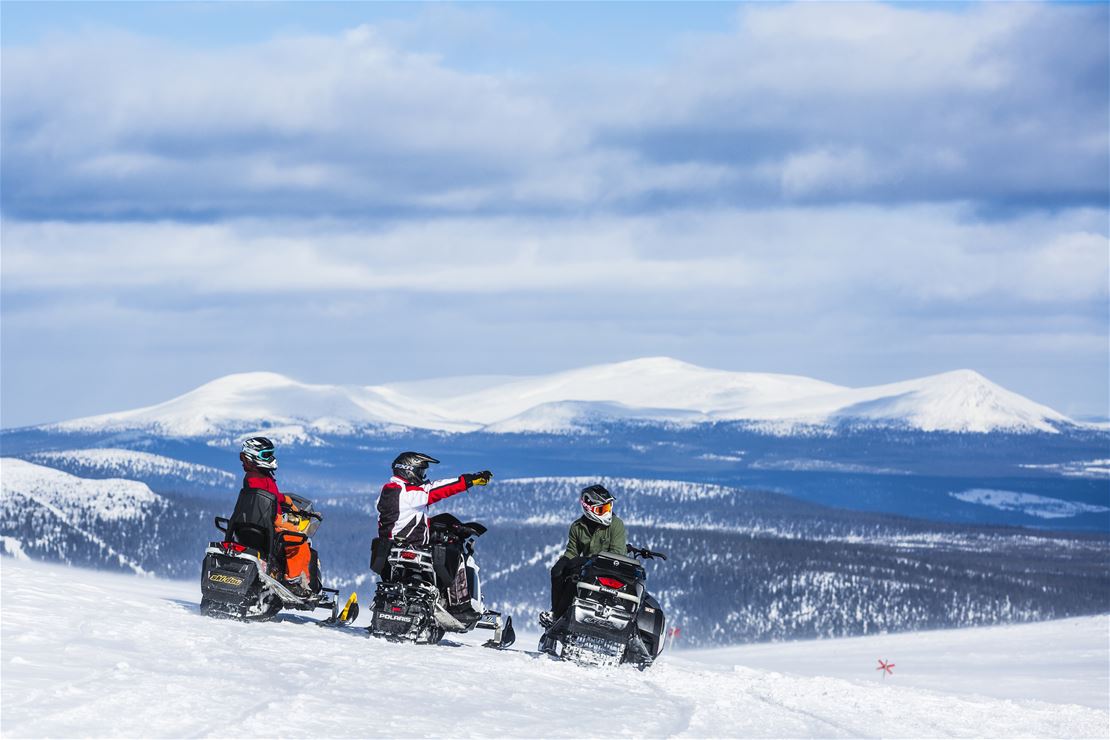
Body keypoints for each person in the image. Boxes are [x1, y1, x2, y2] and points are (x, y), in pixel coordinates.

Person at [371, 452, 492, 577]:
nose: (422, 477)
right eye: (421, 472)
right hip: (412, 548)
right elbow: (438, 489)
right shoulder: (409, 492)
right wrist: (468, 481)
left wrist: (430, 524)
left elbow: (402, 517)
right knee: (452, 553)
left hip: (388, 551)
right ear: (409, 470)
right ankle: (456, 593)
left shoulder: (387, 490)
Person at [539, 484, 627, 631]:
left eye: (608, 507)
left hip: (609, 568)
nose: (607, 512)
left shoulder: (616, 525)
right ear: (589, 508)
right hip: (586, 567)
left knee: (576, 574)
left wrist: (588, 560)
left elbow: (617, 553)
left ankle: (561, 614)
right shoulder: (577, 527)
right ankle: (556, 612)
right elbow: (572, 550)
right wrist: (563, 562)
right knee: (559, 571)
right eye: (602, 509)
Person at [239, 436, 315, 597]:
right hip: (268, 523)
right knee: (300, 540)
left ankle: (286, 574)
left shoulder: (259, 476)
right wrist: (280, 518)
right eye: (266, 455)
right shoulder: (256, 478)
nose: (271, 458)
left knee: (296, 535)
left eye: (271, 454)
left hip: (256, 522)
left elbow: (271, 495)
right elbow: (265, 499)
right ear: (254, 456)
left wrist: (285, 500)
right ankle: (294, 581)